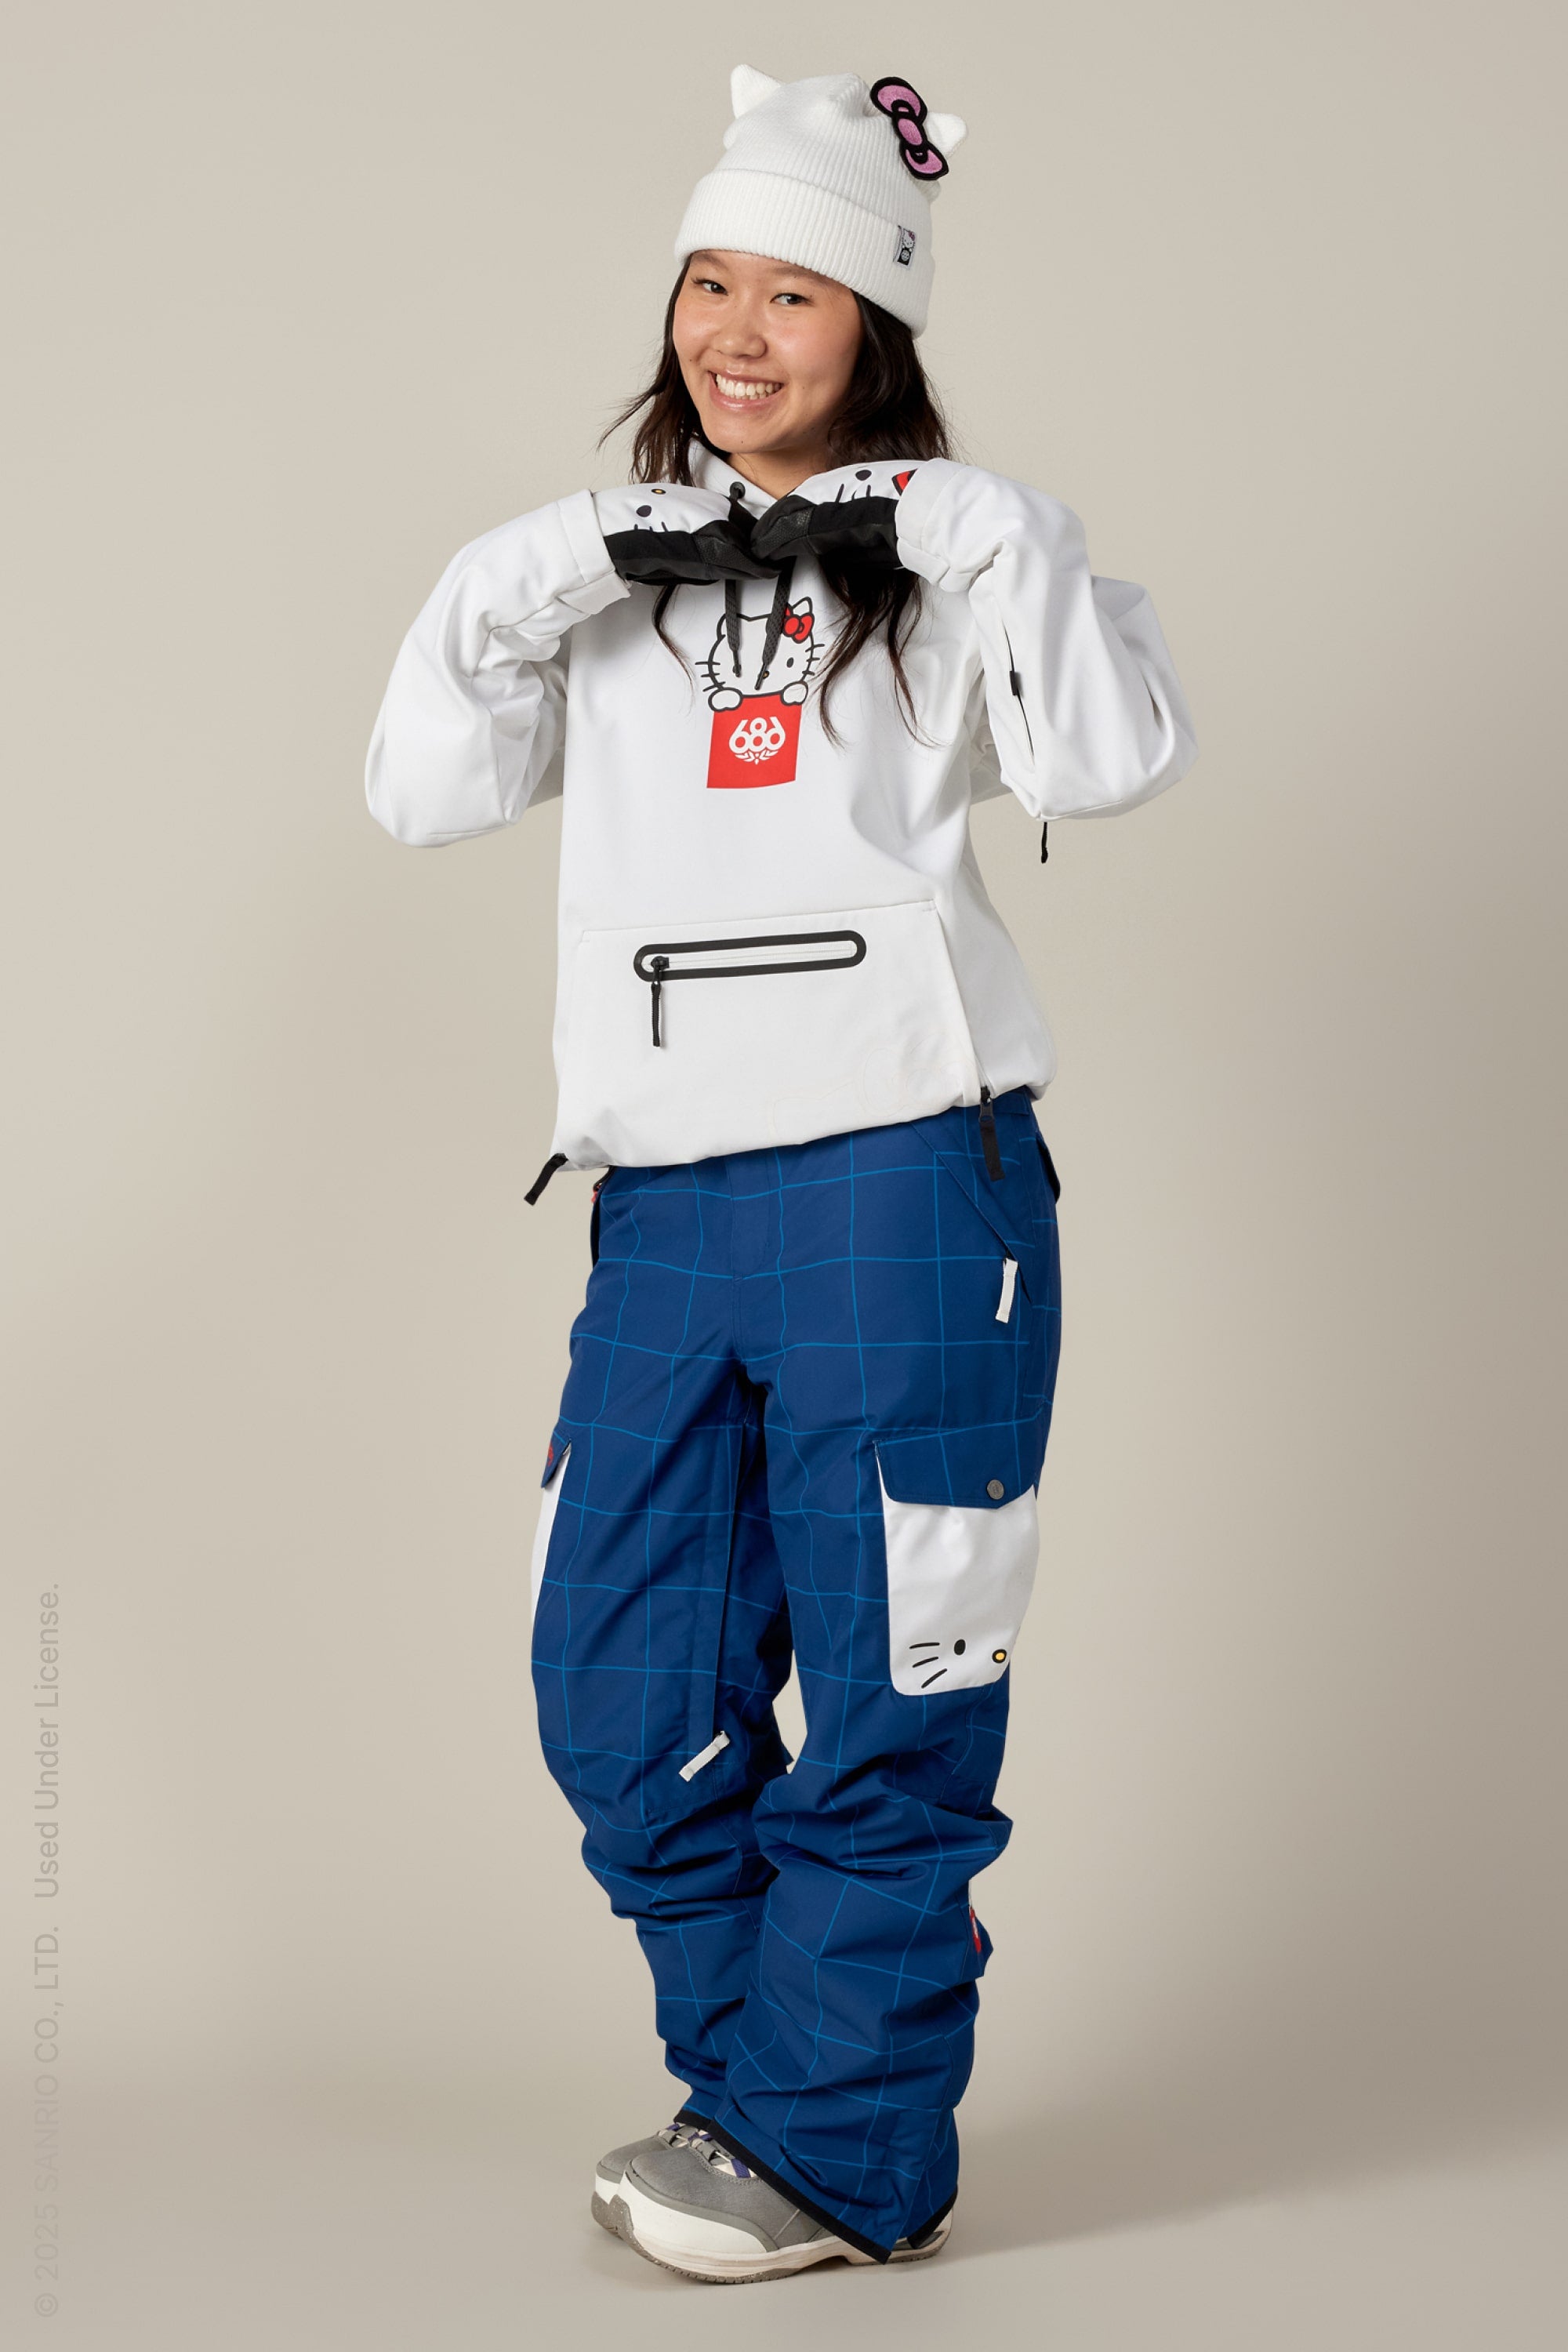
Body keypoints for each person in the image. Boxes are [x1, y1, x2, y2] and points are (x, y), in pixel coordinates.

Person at [365, 63, 1196, 2285]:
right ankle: (779, 2103)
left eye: (798, 294)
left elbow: (1107, 762)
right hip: (665, 1198)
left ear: (878, 328)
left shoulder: (958, 562)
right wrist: (572, 548)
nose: (740, 331)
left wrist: (985, 527)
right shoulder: (605, 583)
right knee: (618, 1688)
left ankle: (833, 2151)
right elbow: (418, 786)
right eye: (710, 283)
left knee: (897, 1676)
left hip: (906, 1184)